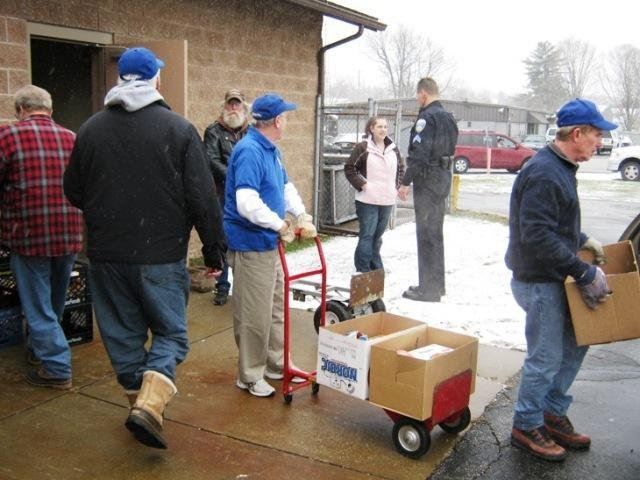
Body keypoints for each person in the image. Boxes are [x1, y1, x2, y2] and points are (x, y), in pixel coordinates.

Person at [64, 47, 226, 449]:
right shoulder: (177, 129)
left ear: (120, 80)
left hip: (107, 255)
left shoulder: (90, 129)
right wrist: (213, 250)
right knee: (171, 334)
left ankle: (141, 406)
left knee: (122, 335)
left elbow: (74, 191)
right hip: (160, 256)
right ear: (156, 79)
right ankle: (150, 407)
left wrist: (110, 208)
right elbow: (203, 198)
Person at [505, 98, 613, 462]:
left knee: (576, 342)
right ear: (577, 133)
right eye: (597, 134)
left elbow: (555, 224)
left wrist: (582, 240)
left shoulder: (562, 167)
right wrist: (583, 271)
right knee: (547, 356)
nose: (600, 142)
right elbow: (537, 235)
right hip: (538, 281)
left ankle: (550, 411)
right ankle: (527, 422)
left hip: (554, 277)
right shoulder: (545, 172)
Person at [224, 93, 317, 398]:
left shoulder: (271, 150)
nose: (287, 121)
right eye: (286, 117)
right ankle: (249, 375)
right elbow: (246, 203)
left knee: (276, 307)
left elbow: (284, 187)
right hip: (251, 245)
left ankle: (276, 362)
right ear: (277, 121)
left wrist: (300, 213)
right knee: (254, 314)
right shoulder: (249, 151)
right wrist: (281, 225)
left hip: (268, 243)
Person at [0, 85, 83, 390]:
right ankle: (40, 349)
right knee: (53, 301)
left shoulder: (7, 136)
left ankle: (57, 367)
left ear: (20, 110)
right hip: (68, 232)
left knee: (37, 305)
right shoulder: (72, 138)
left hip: (29, 234)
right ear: (50, 110)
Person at [398, 77, 458, 302]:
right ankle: (436, 285)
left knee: (426, 235)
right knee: (435, 233)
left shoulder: (427, 118)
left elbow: (420, 155)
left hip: (428, 180)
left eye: (417, 95)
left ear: (423, 93)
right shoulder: (449, 118)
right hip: (442, 177)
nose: (417, 99)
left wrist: (405, 182)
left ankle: (428, 290)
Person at [203, 89, 250, 306]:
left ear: (243, 107)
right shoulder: (213, 131)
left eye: (237, 104)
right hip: (222, 194)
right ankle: (222, 286)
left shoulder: (250, 132)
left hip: (247, 194)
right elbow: (211, 160)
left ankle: (242, 287)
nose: (233, 108)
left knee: (243, 239)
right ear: (225, 106)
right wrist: (234, 178)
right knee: (222, 239)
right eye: (230, 104)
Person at [345, 116, 405, 273]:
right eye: (379, 126)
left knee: (377, 237)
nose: (383, 130)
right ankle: (363, 270)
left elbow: (400, 168)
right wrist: (364, 185)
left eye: (385, 127)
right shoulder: (363, 147)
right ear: (371, 128)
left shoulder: (393, 148)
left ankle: (375, 268)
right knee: (367, 235)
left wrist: (396, 187)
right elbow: (350, 168)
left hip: (387, 200)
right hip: (367, 200)